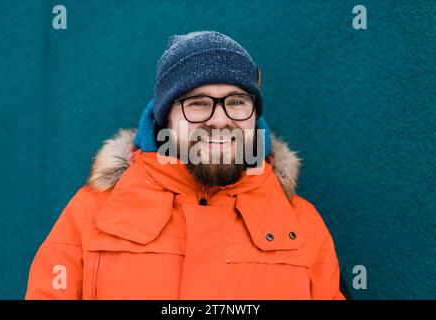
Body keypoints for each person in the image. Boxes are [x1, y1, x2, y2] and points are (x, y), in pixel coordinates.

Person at [26, 31, 345, 300]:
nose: (220, 120)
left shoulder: (304, 225)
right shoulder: (88, 216)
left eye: (236, 102)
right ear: (165, 119)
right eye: (198, 104)